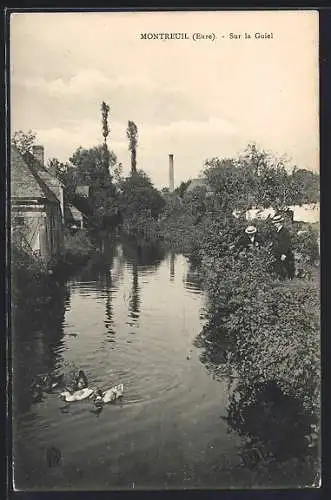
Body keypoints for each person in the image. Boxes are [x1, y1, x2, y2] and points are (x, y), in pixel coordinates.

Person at [271, 214, 295, 279]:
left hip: (285, 252)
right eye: (274, 223)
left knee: (287, 265)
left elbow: (287, 243)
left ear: (279, 223)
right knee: (279, 266)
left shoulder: (285, 231)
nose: (274, 224)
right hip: (278, 251)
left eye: (276, 223)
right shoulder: (276, 231)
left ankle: (290, 278)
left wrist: (284, 254)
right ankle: (281, 278)